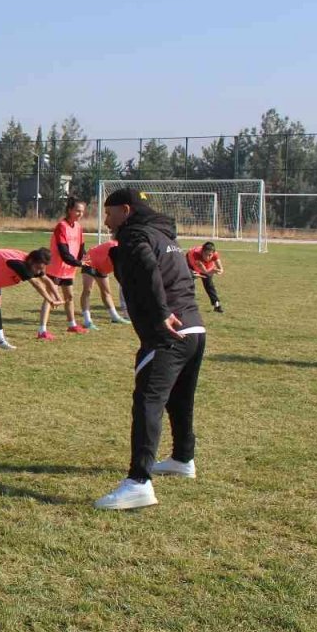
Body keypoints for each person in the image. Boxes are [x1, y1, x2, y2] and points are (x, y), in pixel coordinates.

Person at [95, 188, 207, 511]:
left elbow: (146, 270)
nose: (106, 220)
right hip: (195, 328)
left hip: (167, 332)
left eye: (109, 213)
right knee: (179, 400)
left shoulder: (134, 236)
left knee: (148, 402)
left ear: (126, 210)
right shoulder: (162, 235)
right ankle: (183, 458)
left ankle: (138, 483)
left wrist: (160, 312)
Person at [0, 247, 64, 354]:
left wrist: (58, 297)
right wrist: (50, 301)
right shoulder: (20, 265)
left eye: (41, 268)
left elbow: (46, 280)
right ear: (31, 261)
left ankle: (0, 340)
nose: (38, 271)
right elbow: (37, 284)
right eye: (37, 268)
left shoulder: (34, 263)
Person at [38, 196, 89, 340]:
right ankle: (42, 330)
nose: (80, 214)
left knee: (69, 297)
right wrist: (79, 263)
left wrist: (85, 259)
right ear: (69, 210)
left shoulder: (78, 227)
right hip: (56, 269)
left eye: (82, 211)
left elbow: (81, 248)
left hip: (68, 269)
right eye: (77, 211)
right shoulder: (61, 226)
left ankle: (72, 325)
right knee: (50, 298)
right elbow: (63, 251)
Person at [79, 239, 131, 329]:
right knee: (87, 290)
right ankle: (87, 321)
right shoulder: (116, 248)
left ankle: (115, 317)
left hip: (102, 265)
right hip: (89, 260)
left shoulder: (126, 251)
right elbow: (119, 272)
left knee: (106, 292)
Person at [187, 241, 225, 313]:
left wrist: (220, 271)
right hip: (190, 265)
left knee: (209, 285)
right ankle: (189, 305)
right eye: (206, 254)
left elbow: (221, 268)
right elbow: (204, 271)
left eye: (210, 255)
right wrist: (212, 271)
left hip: (206, 267)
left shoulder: (215, 254)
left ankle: (216, 305)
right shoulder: (196, 254)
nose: (208, 257)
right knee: (190, 284)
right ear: (202, 252)